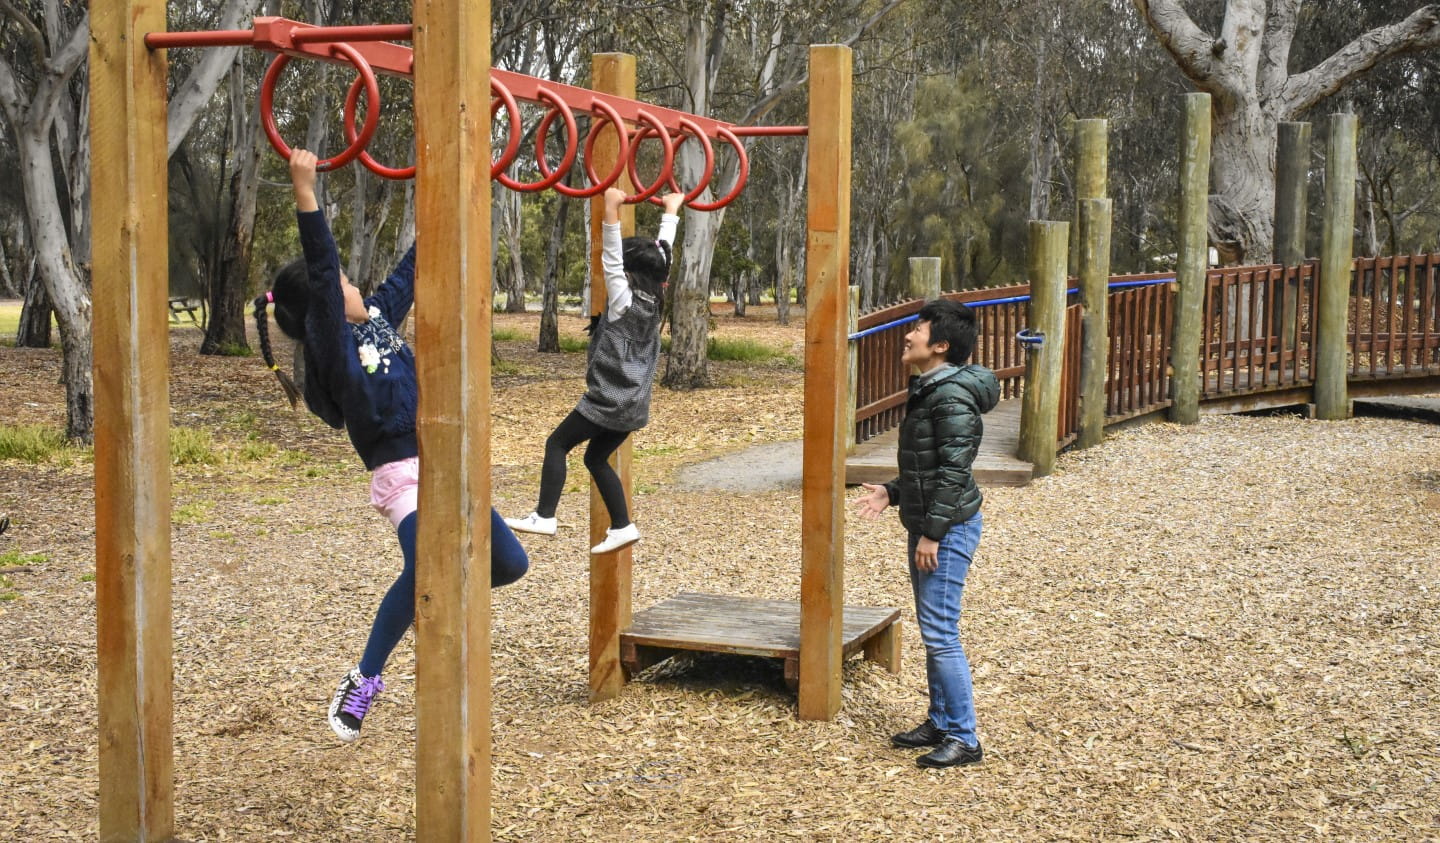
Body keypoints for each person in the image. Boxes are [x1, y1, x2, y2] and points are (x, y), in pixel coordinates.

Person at [253, 149, 529, 743]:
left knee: (510, 564)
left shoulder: (375, 317)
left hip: (443, 465)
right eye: (346, 284)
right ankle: (364, 677)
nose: (354, 286)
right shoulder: (332, 353)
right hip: (400, 472)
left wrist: (452, 190)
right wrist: (306, 192)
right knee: (428, 564)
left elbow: (416, 264)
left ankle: (430, 604)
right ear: (323, 310)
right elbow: (325, 275)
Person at [854, 299, 999, 769]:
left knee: (941, 633)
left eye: (917, 329)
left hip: (947, 527)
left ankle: (964, 737)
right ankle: (941, 720)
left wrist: (933, 534)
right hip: (931, 521)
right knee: (934, 628)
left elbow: (956, 471)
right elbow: (929, 465)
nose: (907, 335)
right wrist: (892, 493)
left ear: (940, 345)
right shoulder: (934, 388)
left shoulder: (951, 396)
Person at [505, 187, 684, 555]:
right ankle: (622, 525)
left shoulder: (624, 301)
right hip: (634, 406)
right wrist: (671, 213)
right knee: (594, 457)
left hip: (606, 400)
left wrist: (610, 209)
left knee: (557, 444)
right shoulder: (656, 296)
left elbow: (612, 260)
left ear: (630, 274)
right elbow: (663, 256)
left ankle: (545, 515)